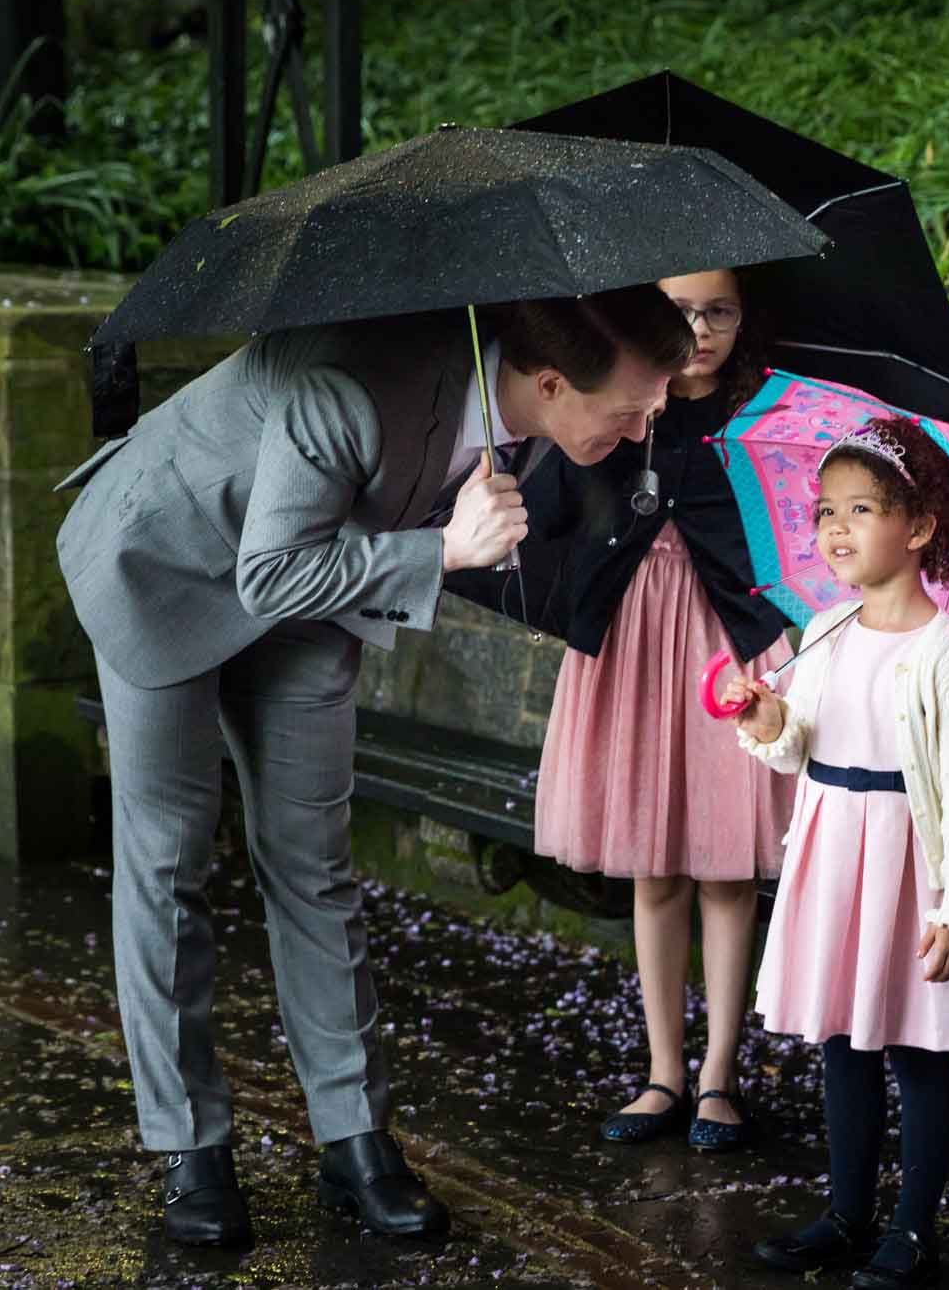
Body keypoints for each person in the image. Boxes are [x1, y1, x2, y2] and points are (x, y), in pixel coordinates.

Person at [52, 289, 690, 1246]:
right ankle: (190, 1146)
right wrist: (439, 547)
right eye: (633, 410)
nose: (649, 425)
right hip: (167, 568)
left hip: (310, 599)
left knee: (314, 863)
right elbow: (268, 571)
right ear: (552, 382)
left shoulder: (539, 410)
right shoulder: (347, 387)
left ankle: (354, 1141)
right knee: (169, 863)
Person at [724, 418, 949, 1290]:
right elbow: (796, 749)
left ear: (921, 527)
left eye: (862, 509)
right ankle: (846, 1212)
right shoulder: (824, 629)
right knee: (842, 1041)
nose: (836, 529)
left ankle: (913, 1229)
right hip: (832, 856)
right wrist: (768, 719)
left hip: (907, 870)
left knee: (915, 1050)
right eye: (826, 511)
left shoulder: (945, 655)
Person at [525, 267, 797, 1151]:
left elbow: (796, 529)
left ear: (744, 315)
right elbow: (551, 508)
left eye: (720, 310)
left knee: (725, 866)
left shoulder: (763, 415)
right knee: (654, 864)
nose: (702, 328)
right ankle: (663, 1070)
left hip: (729, 648)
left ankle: (720, 1071)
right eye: (682, 312)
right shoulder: (617, 407)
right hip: (634, 643)